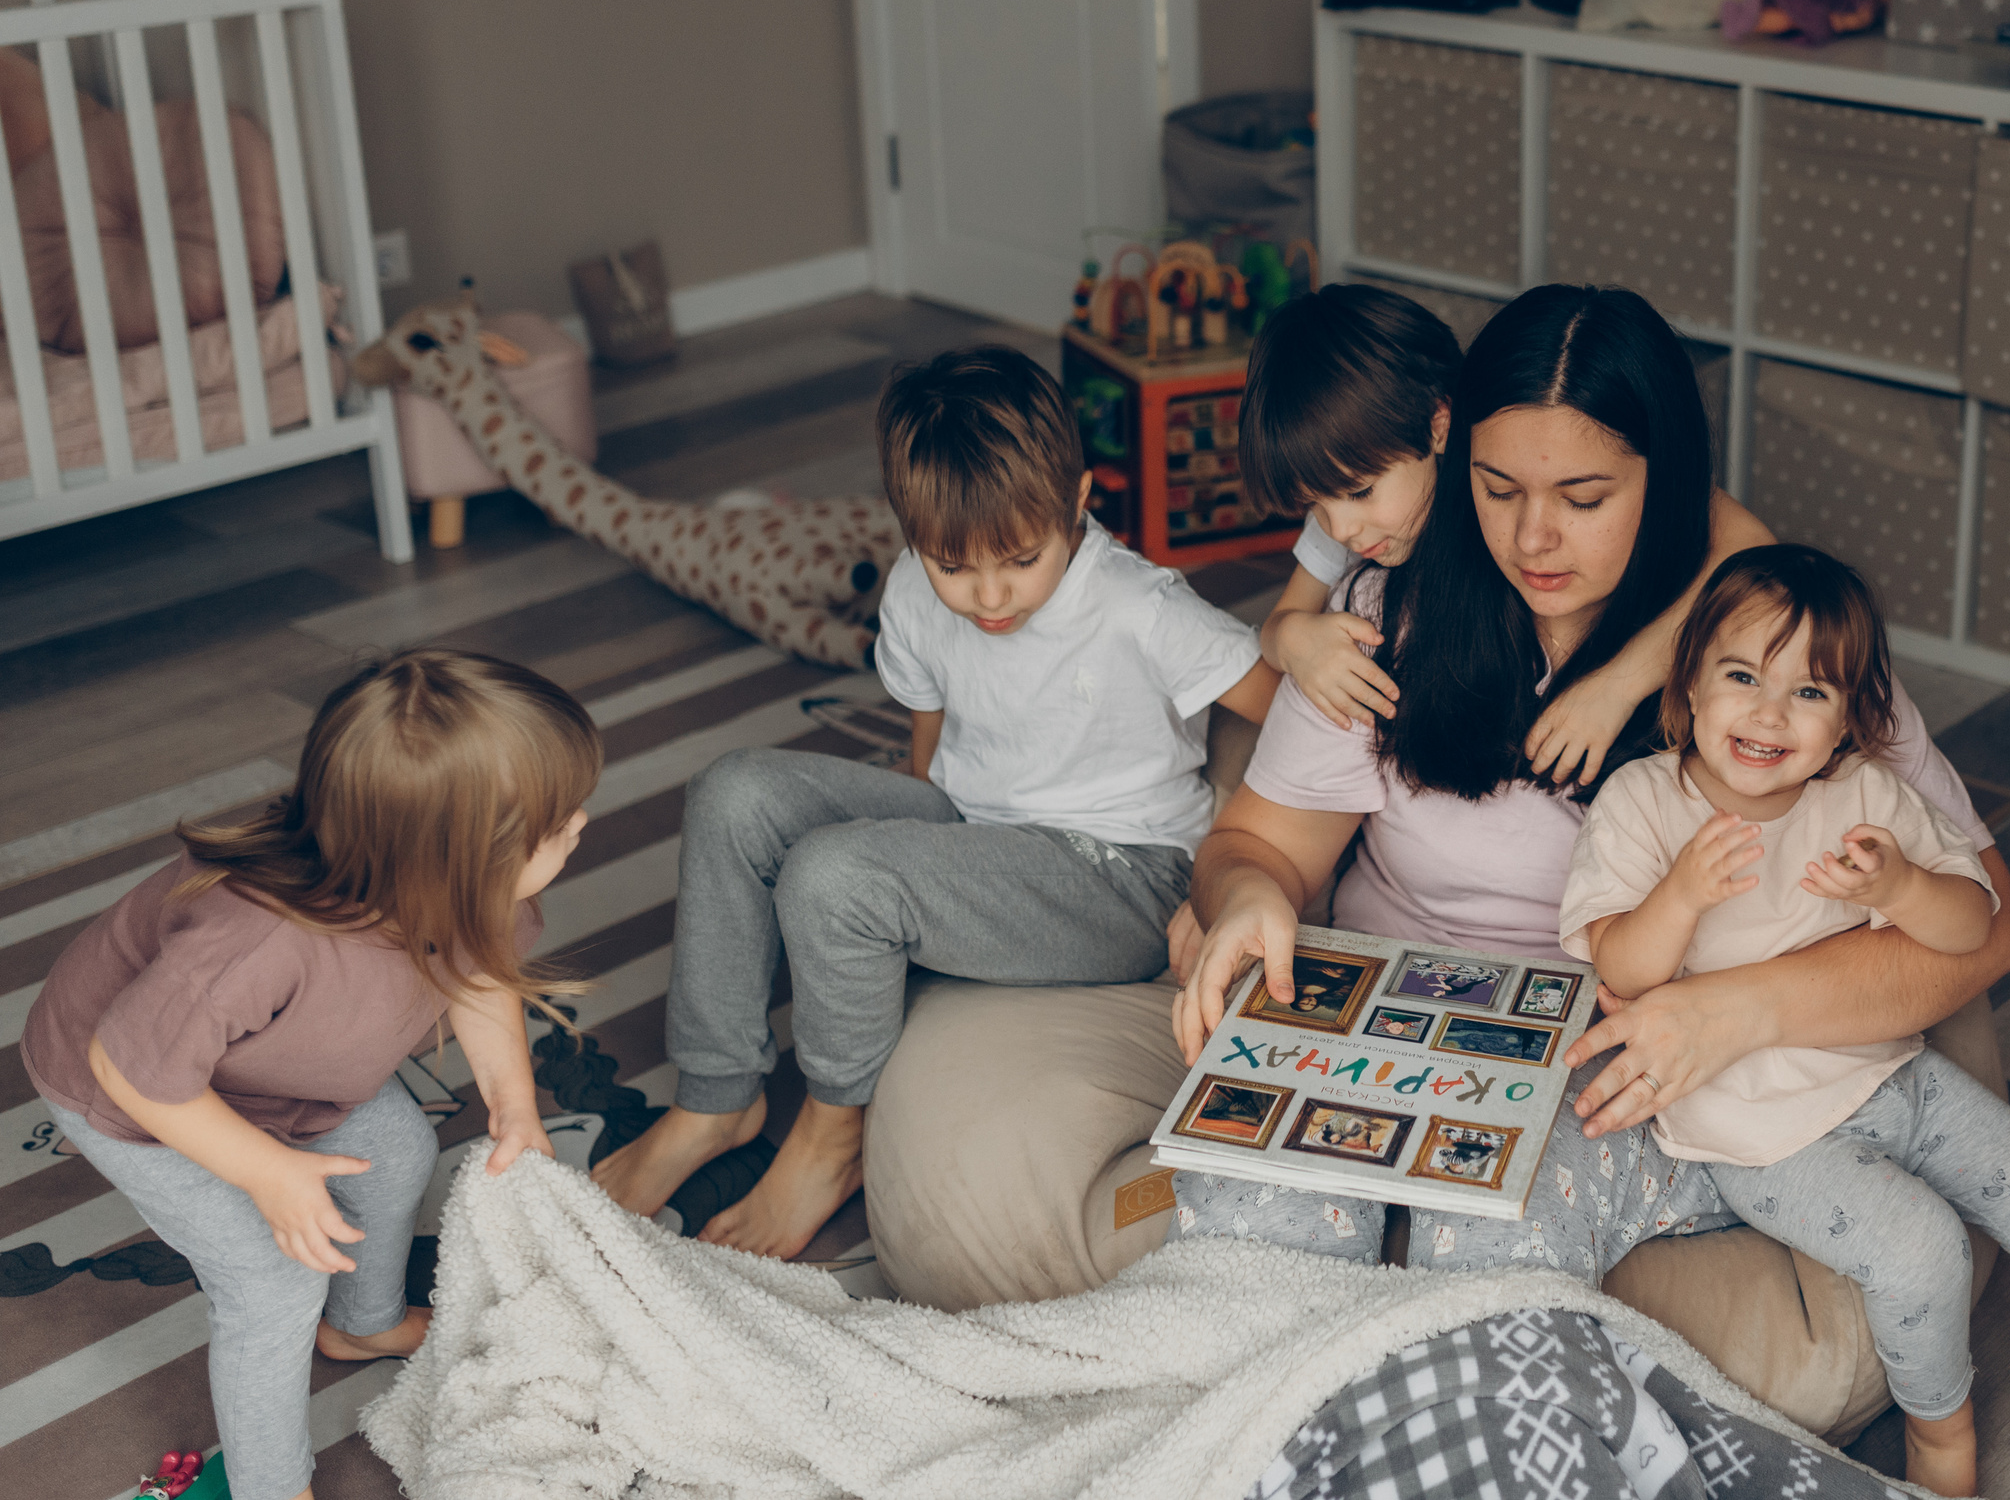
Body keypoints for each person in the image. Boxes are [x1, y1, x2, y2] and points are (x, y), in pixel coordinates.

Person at [1167, 282, 2010, 1287]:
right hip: (1387, 1016)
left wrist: (1736, 1011)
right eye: (1496, 489)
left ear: (1664, 488)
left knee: (1490, 1256)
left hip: (1617, 1050)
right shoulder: (1379, 623)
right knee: (1242, 1236)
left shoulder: (1778, 671)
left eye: (1583, 500)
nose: (1535, 540)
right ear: (1451, 453)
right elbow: (1255, 844)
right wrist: (1247, 898)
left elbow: (1992, 925)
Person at [593, 345, 1278, 1257]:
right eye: (955, 567)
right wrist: (914, 869)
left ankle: (836, 1136)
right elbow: (933, 738)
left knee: (834, 878)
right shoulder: (918, 588)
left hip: (1124, 871)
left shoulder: (1143, 607)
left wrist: (1233, 867)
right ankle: (715, 1100)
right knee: (735, 792)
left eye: (1021, 561)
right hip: (976, 823)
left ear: (1077, 501)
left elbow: (1283, 713)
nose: (989, 596)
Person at [1565, 544, 2010, 1500]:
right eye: (1741, 677)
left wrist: (1902, 883)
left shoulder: (1865, 798)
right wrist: (1680, 896)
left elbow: (1975, 925)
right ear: (1687, 685)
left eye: (1810, 692)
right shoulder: (1645, 802)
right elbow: (1621, 964)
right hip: (1763, 1133)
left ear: (1851, 718)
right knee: (1925, 1251)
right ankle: (1941, 1449)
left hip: (1893, 1076)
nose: (1769, 713)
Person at [20, 650, 594, 1500]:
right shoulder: (257, 941)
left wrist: (513, 1105)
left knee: (398, 1151)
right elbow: (128, 1064)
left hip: (266, 1068)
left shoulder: (463, 891)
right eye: (557, 823)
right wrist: (267, 1170)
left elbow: (480, 977)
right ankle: (271, 1482)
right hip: (134, 1092)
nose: (582, 822)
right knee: (273, 1280)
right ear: (453, 861)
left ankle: (363, 1325)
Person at [1239, 280, 1775, 788]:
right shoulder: (1359, 538)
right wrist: (1292, 639)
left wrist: (1619, 685)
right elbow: (1285, 618)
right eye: (1498, 489)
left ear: (1440, 428)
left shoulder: (1491, 433)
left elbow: (1751, 550)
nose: (1340, 529)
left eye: (1581, 499)